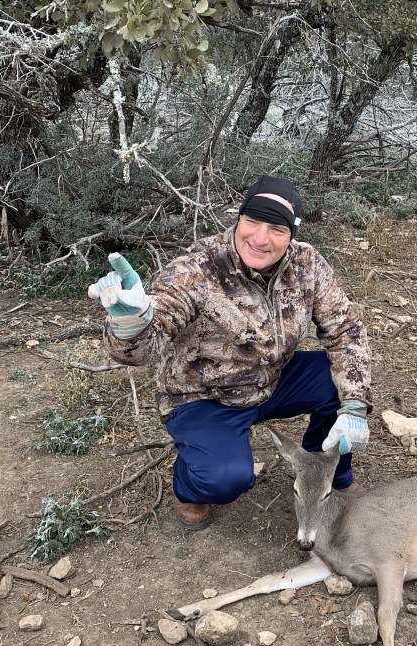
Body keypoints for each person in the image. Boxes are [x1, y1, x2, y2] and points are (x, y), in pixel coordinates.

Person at [88, 175, 372, 531]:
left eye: (276, 228)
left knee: (339, 384)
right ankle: (189, 486)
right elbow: (146, 344)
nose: (260, 238)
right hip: (203, 397)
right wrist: (132, 323)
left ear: (292, 234)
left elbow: (345, 330)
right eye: (252, 221)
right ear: (239, 218)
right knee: (225, 479)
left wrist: (355, 405)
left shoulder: (307, 264)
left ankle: (323, 471)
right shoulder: (198, 269)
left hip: (274, 379)